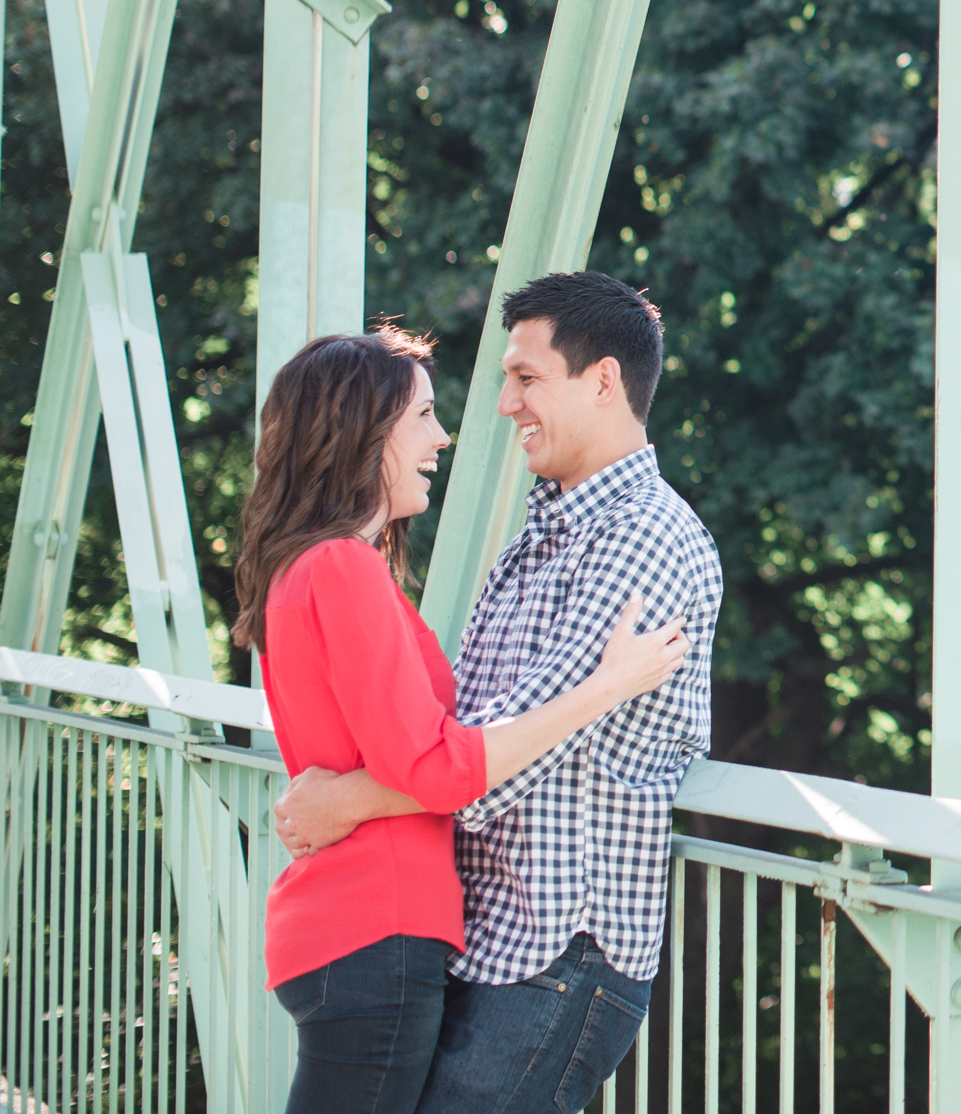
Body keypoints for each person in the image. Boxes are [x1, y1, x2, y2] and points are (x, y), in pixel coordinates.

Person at [272, 274, 724, 1113]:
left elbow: (496, 761)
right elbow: (463, 730)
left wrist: (345, 800)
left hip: (560, 955)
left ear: (602, 381)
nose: (505, 405)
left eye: (527, 378)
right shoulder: (539, 536)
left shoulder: (647, 540)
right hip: (487, 939)